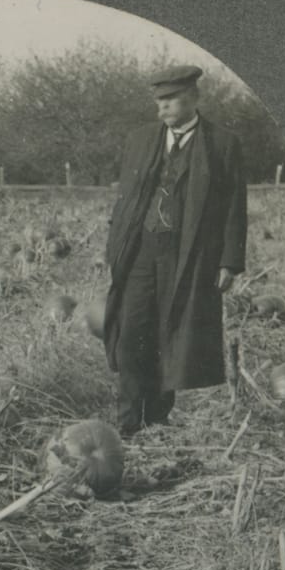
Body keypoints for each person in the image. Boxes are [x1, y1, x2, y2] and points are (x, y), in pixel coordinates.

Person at [103, 65, 247, 435]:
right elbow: (127, 200)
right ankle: (128, 424)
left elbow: (234, 206)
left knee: (172, 335)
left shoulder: (222, 144)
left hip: (189, 256)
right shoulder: (140, 139)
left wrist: (230, 261)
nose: (161, 109)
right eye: (158, 102)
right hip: (140, 252)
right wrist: (115, 247)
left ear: (194, 97)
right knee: (133, 334)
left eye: (169, 100)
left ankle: (158, 418)